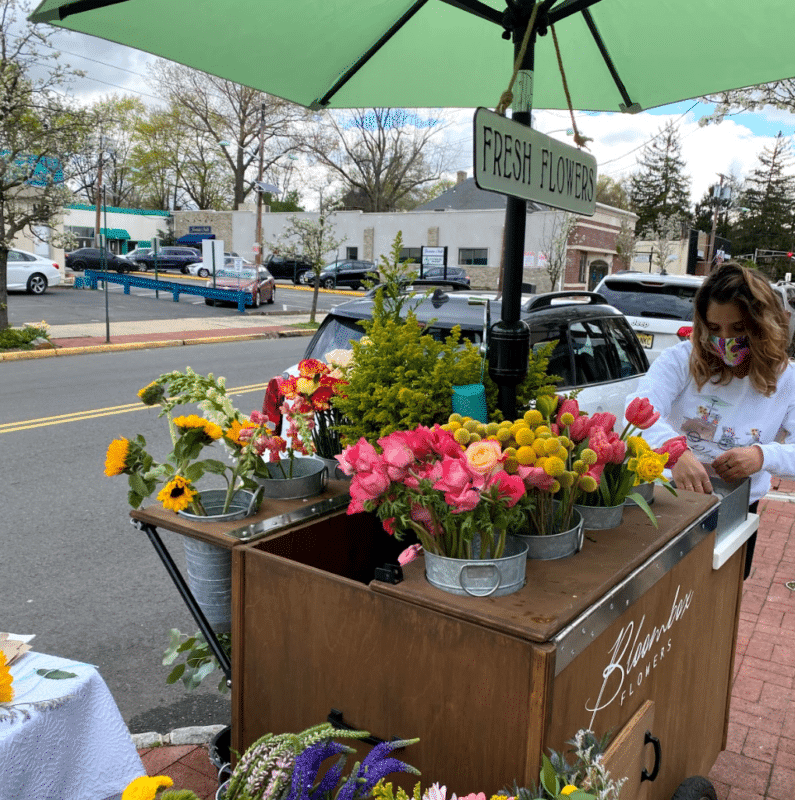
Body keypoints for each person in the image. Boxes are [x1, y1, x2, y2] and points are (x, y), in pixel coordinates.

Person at [625, 262, 795, 578]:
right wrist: (673, 451)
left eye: (739, 328)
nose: (725, 339)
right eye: (714, 329)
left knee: (718, 603)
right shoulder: (681, 359)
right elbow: (639, 407)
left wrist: (762, 456)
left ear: (762, 325)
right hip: (669, 501)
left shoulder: (786, 380)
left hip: (737, 509)